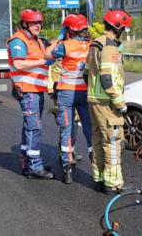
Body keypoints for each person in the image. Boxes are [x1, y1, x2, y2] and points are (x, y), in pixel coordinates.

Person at [85, 9, 131, 194]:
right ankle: (113, 183)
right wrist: (119, 102)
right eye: (124, 28)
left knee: (98, 139)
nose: (124, 32)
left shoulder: (96, 43)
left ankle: (100, 178)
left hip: (94, 100)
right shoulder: (110, 46)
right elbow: (107, 78)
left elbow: (86, 72)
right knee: (112, 140)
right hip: (106, 102)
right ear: (117, 27)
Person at [6, 9, 55, 179]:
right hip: (27, 92)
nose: (38, 25)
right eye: (34, 23)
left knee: (30, 126)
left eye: (40, 22)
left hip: (36, 90)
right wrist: (44, 61)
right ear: (25, 24)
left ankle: (28, 163)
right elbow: (19, 64)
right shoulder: (18, 41)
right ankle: (35, 166)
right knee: (34, 127)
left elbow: (52, 49)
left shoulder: (37, 41)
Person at [45, 13, 92, 184]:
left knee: (67, 129)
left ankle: (67, 169)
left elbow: (47, 55)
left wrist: (58, 37)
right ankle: (96, 164)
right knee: (89, 129)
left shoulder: (64, 46)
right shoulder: (91, 45)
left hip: (66, 94)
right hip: (85, 93)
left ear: (69, 29)